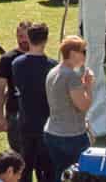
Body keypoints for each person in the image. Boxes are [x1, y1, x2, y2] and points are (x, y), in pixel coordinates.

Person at [0, 22, 53, 182]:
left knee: (40, 166)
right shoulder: (9, 60)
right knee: (22, 166)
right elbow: (1, 91)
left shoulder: (21, 63)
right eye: (19, 36)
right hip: (17, 117)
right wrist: (1, 117)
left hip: (34, 120)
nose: (22, 40)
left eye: (25, 36)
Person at [39, 36, 93, 180]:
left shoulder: (53, 72)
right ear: (73, 53)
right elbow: (83, 105)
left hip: (52, 132)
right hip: (71, 136)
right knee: (80, 176)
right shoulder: (71, 77)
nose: (85, 55)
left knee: (61, 174)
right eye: (83, 52)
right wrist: (88, 86)